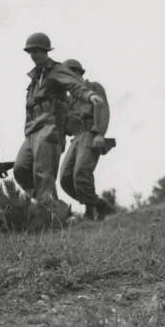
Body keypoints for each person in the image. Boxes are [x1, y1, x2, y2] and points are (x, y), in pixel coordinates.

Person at [13, 32, 104, 204]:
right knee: (20, 169)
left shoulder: (55, 69)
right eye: (30, 52)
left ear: (45, 51)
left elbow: (74, 85)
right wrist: (26, 131)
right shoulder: (34, 78)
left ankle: (51, 212)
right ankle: (52, 204)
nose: (33, 55)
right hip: (32, 130)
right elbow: (29, 108)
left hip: (49, 126)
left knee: (43, 173)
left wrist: (89, 95)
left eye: (36, 51)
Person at [59, 59, 117, 221]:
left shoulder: (94, 88)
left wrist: (99, 132)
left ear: (75, 73)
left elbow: (102, 109)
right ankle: (99, 204)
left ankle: (91, 211)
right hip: (76, 138)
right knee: (65, 178)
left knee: (81, 171)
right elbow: (65, 125)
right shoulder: (70, 99)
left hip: (91, 133)